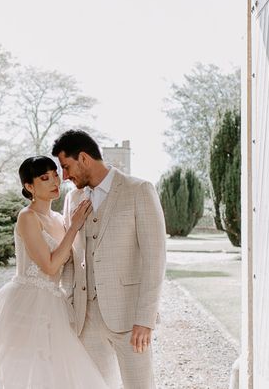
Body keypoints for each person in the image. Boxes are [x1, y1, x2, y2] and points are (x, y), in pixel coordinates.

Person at [0, 155, 110, 389]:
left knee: (52, 371)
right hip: (27, 301)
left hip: (55, 302)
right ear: (29, 186)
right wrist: (75, 225)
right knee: (24, 369)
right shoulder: (27, 217)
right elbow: (49, 266)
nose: (55, 181)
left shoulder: (58, 219)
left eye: (55, 175)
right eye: (45, 178)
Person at [54, 130, 167, 389]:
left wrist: (145, 319)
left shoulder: (138, 190)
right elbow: (71, 257)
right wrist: (71, 308)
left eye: (66, 166)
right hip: (86, 319)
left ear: (83, 158)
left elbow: (155, 259)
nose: (65, 176)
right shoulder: (73, 198)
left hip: (130, 320)